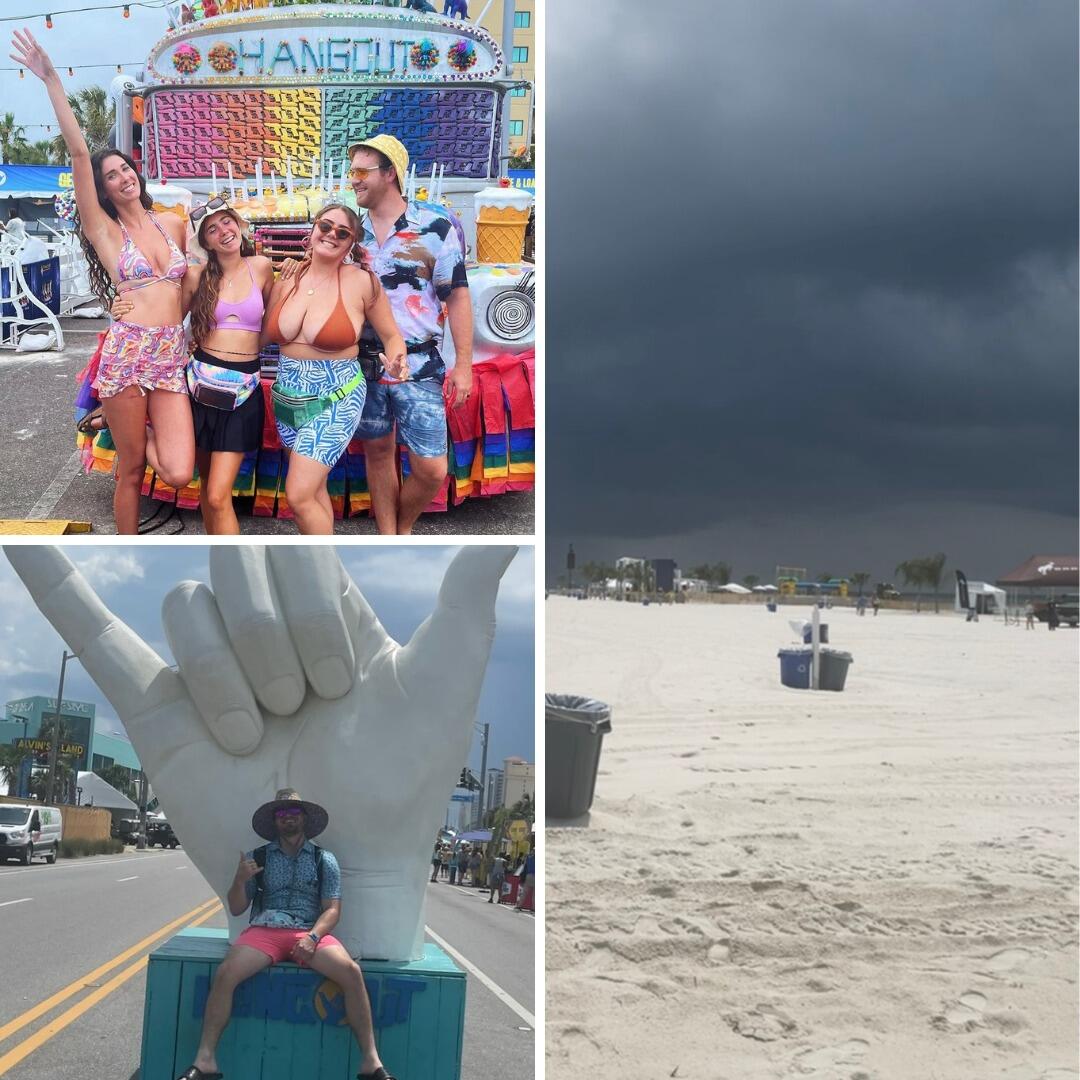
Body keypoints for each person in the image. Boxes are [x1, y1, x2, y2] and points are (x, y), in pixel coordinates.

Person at [10, 28, 194, 534]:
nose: (121, 176)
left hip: (169, 356)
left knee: (178, 471)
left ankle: (107, 421)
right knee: (131, 471)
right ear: (105, 190)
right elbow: (76, 153)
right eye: (110, 174)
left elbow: (199, 280)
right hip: (129, 353)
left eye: (124, 168)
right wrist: (51, 80)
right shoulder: (105, 231)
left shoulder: (174, 223)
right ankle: (129, 552)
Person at [176, 789, 392, 1080]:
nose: (287, 818)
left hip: (308, 931)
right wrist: (240, 881)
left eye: (293, 812)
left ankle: (371, 1063)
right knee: (226, 973)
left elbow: (332, 910)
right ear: (274, 821)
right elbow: (238, 908)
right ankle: (205, 1061)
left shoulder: (323, 859)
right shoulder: (258, 857)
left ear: (303, 817)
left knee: (351, 972)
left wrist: (312, 937)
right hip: (265, 931)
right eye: (281, 813)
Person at [113, 199, 273, 533]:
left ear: (239, 225)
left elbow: (274, 319)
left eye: (226, 223)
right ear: (206, 242)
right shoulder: (197, 275)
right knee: (205, 493)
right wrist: (123, 303)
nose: (223, 232)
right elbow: (167, 316)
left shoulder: (261, 267)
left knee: (217, 496)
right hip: (200, 384)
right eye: (212, 229)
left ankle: (236, 572)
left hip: (244, 389)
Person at [349, 134, 473, 535]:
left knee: (431, 467)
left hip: (419, 363)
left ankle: (400, 527)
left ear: (390, 174)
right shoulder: (350, 232)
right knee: (379, 453)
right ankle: (389, 536)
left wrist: (464, 365)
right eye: (352, 172)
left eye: (361, 171)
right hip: (363, 363)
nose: (353, 180)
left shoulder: (435, 225)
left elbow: (456, 296)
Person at [264, 203, 406, 534]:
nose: (331, 235)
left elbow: (391, 336)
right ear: (312, 230)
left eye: (342, 233)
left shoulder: (362, 282)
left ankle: (321, 569)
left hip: (335, 396)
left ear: (351, 244)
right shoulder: (288, 276)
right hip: (287, 395)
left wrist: (398, 361)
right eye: (325, 226)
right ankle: (322, 566)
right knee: (312, 492)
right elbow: (259, 332)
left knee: (298, 495)